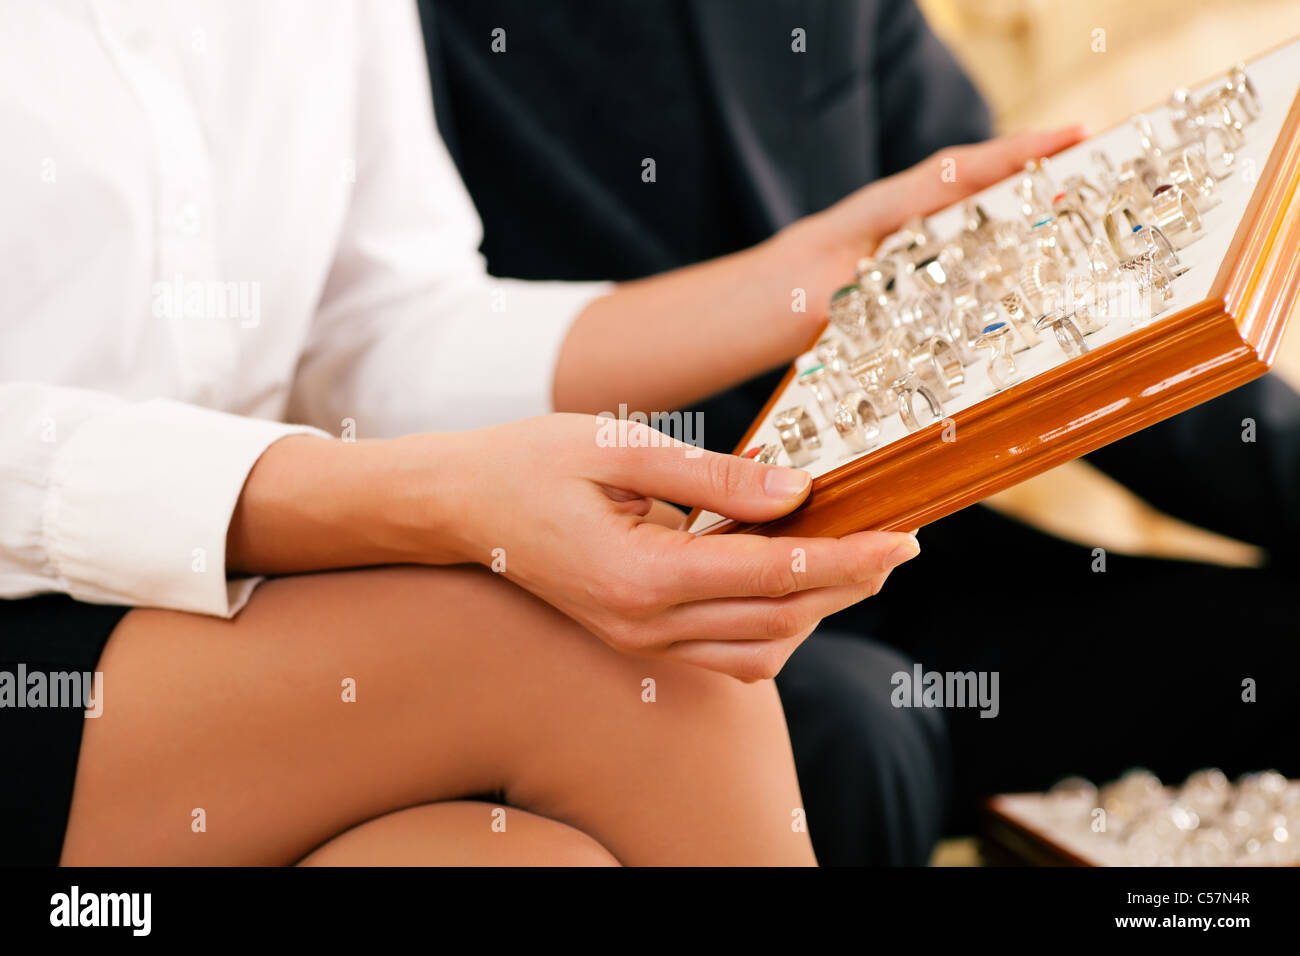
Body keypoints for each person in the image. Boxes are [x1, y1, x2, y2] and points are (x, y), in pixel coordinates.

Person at [0, 0, 1076, 865]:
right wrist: (430, 501)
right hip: (59, 635)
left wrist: (793, 286)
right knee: (631, 670)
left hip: (211, 632)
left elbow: (375, 329)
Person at [420, 0, 1300, 838]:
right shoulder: (392, 32)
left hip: (920, 576)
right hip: (611, 609)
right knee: (856, 723)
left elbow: (1044, 294)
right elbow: (386, 347)